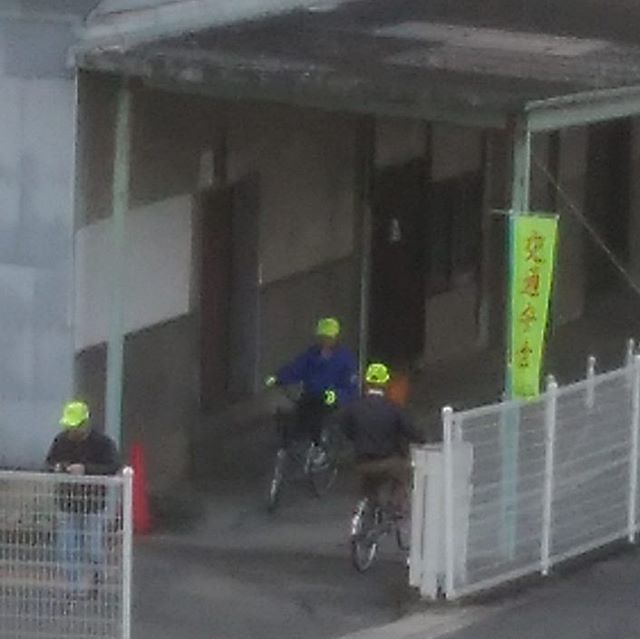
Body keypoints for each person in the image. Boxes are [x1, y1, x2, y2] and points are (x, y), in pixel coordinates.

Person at [46, 401, 120, 595]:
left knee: (93, 547)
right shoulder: (61, 441)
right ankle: (74, 587)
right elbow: (48, 462)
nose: (72, 431)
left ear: (85, 424)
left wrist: (86, 470)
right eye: (69, 427)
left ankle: (96, 576)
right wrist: (59, 468)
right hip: (67, 503)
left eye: (75, 427)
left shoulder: (103, 443)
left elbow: (112, 467)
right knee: (68, 549)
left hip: (93, 504)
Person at [339, 363, 424, 514]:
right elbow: (412, 432)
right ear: (385, 384)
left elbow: (345, 428)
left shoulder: (354, 407)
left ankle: (366, 511)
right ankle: (396, 506)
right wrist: (421, 438)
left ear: (366, 383)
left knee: (368, 485)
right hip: (387, 462)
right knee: (404, 473)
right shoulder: (393, 408)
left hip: (361, 462)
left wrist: (357, 439)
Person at [267, 317, 358, 453]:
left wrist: (336, 394)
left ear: (336, 337)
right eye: (322, 337)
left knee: (318, 417)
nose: (325, 341)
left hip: (330, 399)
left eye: (328, 337)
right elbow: (297, 368)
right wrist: (278, 377)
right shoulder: (312, 354)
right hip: (311, 394)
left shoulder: (345, 359)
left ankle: (319, 449)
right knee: (298, 415)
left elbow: (350, 386)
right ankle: (295, 446)